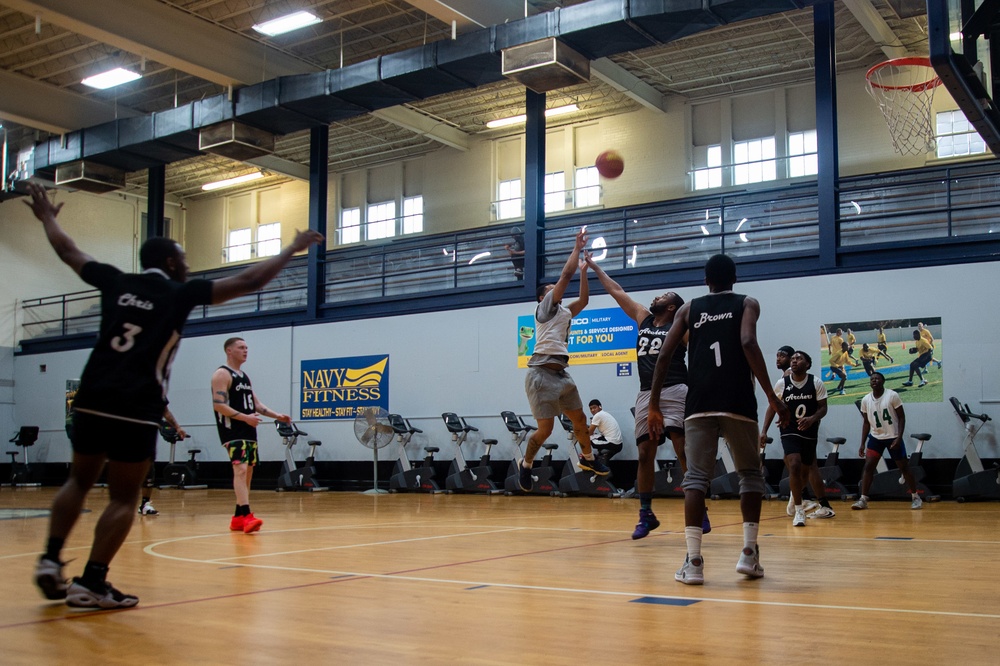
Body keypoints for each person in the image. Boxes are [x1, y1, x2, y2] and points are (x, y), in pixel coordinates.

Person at [27, 182, 322, 609]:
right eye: (183, 258)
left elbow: (70, 251)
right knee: (124, 497)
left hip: (91, 393)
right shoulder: (179, 293)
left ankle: (51, 559)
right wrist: (292, 247)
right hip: (136, 401)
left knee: (78, 479)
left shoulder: (115, 281)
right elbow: (250, 279)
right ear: (170, 262)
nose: (186, 265)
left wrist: (48, 218)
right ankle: (91, 581)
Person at [648, 254, 788, 585]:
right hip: (737, 399)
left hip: (699, 402)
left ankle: (694, 562)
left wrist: (654, 403)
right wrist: (770, 394)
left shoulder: (688, 309)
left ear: (706, 279)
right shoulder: (747, 303)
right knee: (750, 475)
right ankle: (749, 555)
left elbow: (665, 354)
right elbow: (748, 341)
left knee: (696, 478)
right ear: (735, 278)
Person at [584, 256, 709, 538]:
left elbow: (702, 355)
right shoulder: (644, 319)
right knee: (644, 453)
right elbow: (617, 291)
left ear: (672, 306)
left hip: (676, 388)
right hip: (645, 392)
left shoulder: (682, 328)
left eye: (663, 296)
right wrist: (594, 267)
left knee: (682, 449)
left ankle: (699, 507)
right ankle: (646, 514)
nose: (656, 296)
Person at [517, 228, 609, 492]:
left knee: (580, 420)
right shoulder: (544, 308)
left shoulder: (565, 312)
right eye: (551, 289)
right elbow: (564, 276)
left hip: (562, 374)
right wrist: (576, 249)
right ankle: (526, 465)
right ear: (542, 297)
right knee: (544, 431)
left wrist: (583, 273)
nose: (556, 291)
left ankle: (588, 459)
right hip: (540, 374)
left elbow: (585, 300)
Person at [213, 337, 292, 533]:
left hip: (249, 430)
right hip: (233, 430)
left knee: (247, 473)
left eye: (247, 347)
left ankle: (238, 518)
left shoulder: (244, 377)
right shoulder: (221, 374)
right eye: (241, 348)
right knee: (239, 470)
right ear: (229, 351)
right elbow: (219, 405)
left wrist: (277, 416)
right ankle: (247, 515)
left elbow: (256, 404)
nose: (245, 351)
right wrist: (245, 418)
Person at [760, 350, 835, 526]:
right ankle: (799, 511)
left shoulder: (816, 382)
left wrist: (812, 419)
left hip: (809, 431)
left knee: (805, 470)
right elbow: (772, 406)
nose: (794, 361)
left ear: (807, 364)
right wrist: (764, 430)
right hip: (789, 429)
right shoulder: (782, 384)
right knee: (794, 464)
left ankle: (794, 500)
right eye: (793, 359)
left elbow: (823, 408)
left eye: (799, 359)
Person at [852, 372, 923, 510]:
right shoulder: (866, 399)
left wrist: (899, 437)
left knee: (904, 468)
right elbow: (866, 423)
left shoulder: (892, 395)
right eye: (872, 379)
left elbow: (902, 417)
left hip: (893, 437)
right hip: (875, 438)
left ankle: (915, 497)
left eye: (877, 378)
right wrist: (862, 443)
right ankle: (863, 499)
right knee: (868, 467)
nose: (874, 380)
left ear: (883, 381)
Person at [137, 406, 186, 516]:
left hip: (146, 438)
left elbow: (165, 411)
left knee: (149, 471)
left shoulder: (156, 392)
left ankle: (145, 504)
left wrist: (177, 427)